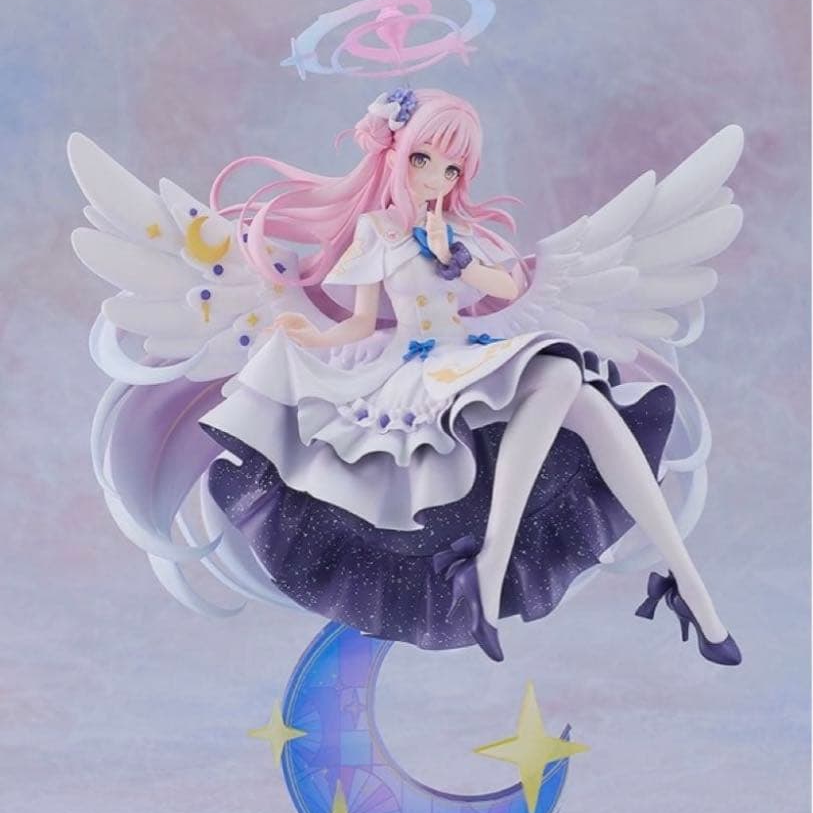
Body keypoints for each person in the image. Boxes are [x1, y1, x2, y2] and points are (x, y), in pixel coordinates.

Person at [69, 87, 744, 666]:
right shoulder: (375, 233)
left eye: (451, 168)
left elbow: (507, 287)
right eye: (422, 160)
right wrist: (310, 334)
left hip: (472, 352)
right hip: (417, 369)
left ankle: (688, 588)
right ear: (395, 155)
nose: (434, 178)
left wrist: (458, 259)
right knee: (564, 377)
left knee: (581, 392)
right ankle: (502, 570)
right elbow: (360, 322)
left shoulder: (458, 232)